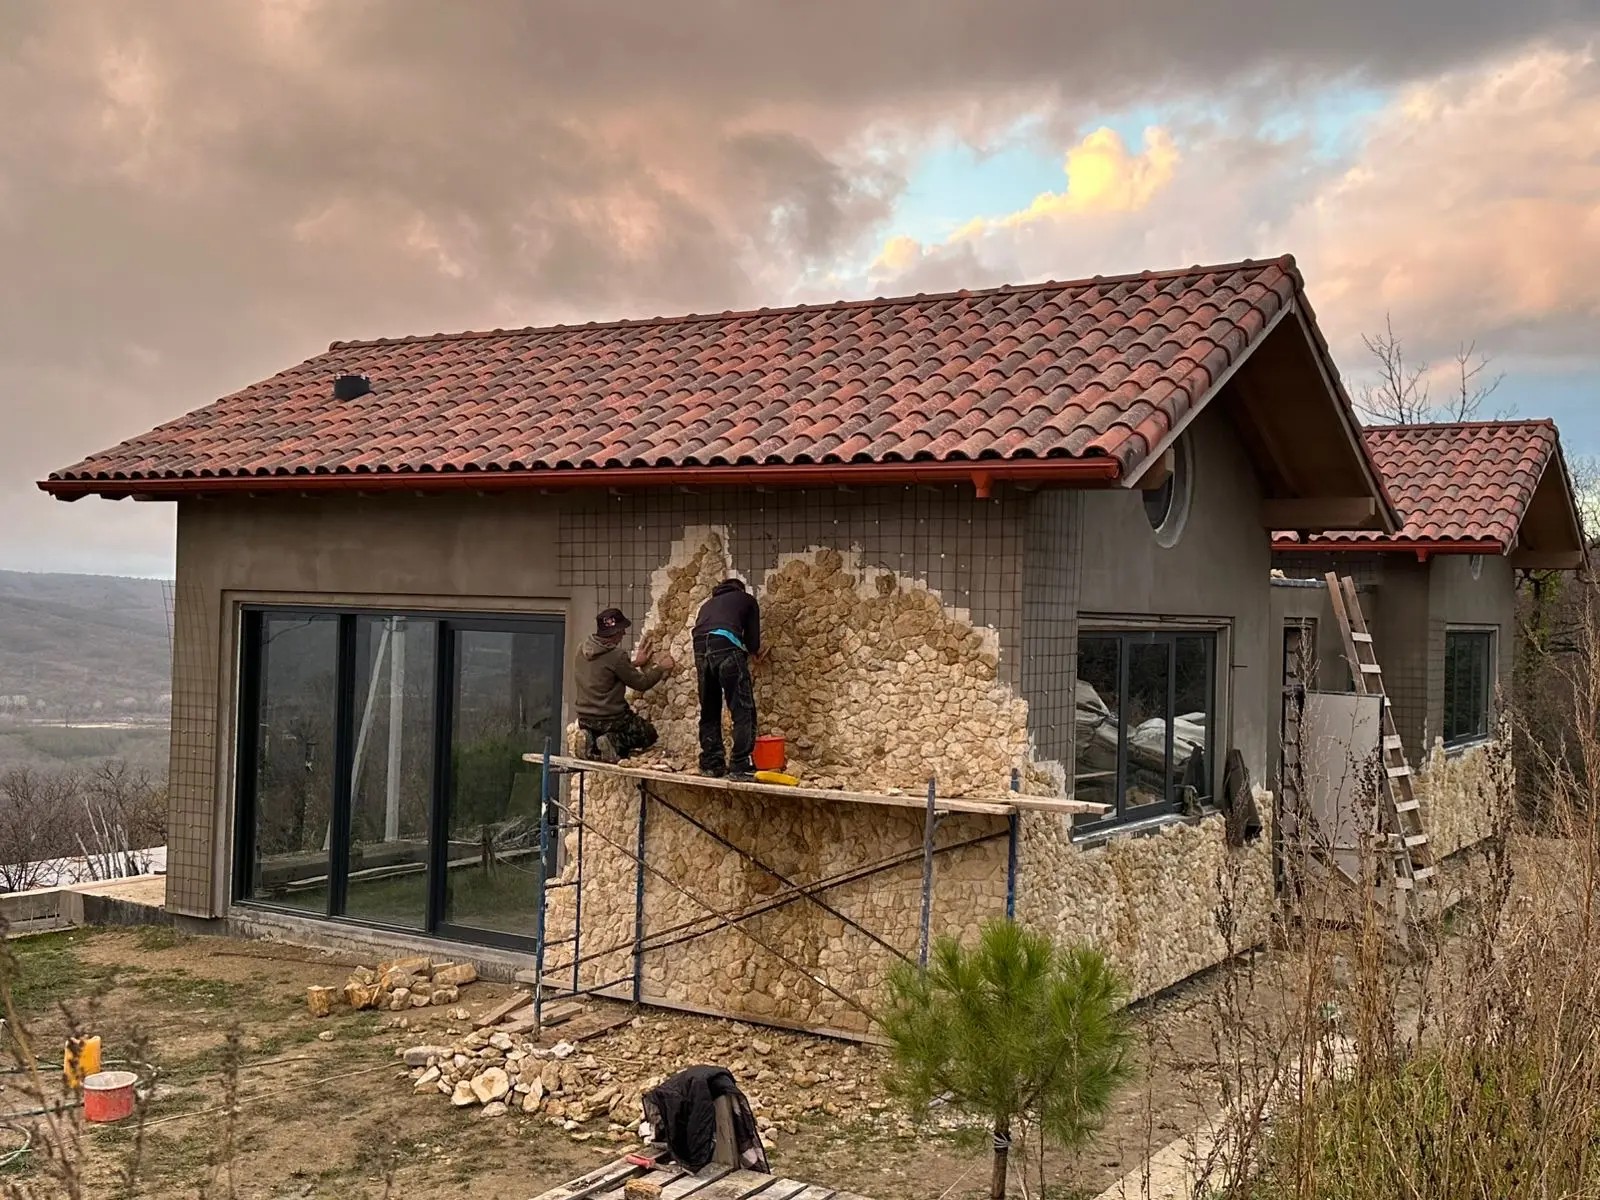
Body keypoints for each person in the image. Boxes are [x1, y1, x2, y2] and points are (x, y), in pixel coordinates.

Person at [573, 607, 674, 763]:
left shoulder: (581, 649)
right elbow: (641, 683)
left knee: (598, 735)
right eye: (621, 630)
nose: (624, 634)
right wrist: (661, 668)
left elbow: (605, 672)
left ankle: (590, 740)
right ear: (614, 633)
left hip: (585, 719)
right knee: (647, 734)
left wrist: (634, 663)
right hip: (611, 719)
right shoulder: (617, 656)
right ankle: (613, 742)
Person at [692, 578, 762, 777]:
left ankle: (711, 763)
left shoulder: (707, 605)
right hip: (726, 645)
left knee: (709, 708)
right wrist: (753, 652)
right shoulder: (746, 599)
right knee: (742, 708)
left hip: (700, 648)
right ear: (740, 589)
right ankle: (740, 764)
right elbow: (753, 643)